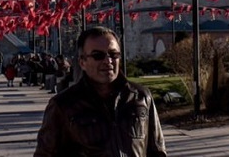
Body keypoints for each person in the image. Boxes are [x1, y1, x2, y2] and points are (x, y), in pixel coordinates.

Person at [34, 26, 166, 157]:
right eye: (98, 56)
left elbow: (157, 150)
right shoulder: (63, 105)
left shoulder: (141, 97)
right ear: (82, 62)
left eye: (114, 55)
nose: (108, 61)